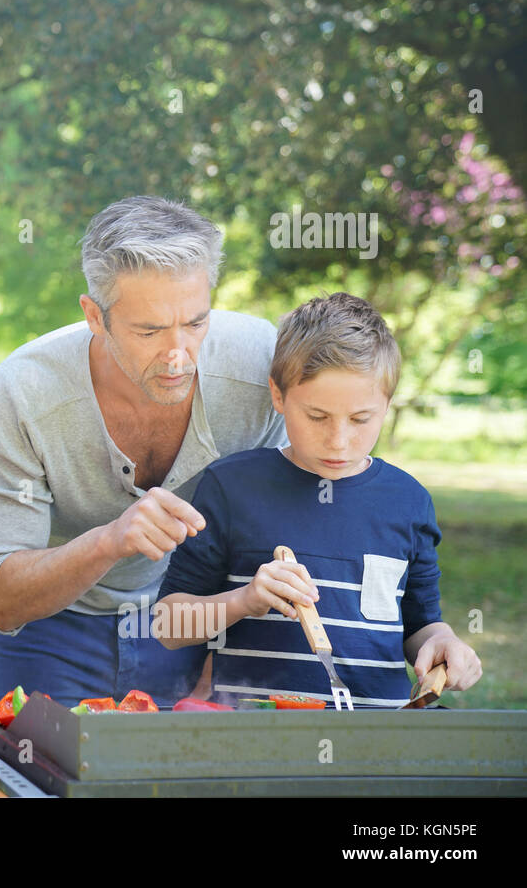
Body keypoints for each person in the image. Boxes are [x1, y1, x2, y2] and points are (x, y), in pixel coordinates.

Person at [0, 196, 287, 709]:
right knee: (41, 784)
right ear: (95, 316)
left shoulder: (259, 366)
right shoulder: (24, 390)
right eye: (150, 331)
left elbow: (282, 532)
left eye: (196, 323)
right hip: (52, 631)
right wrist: (110, 541)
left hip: (193, 622)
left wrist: (212, 678)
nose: (178, 355)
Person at [154, 293, 483, 704]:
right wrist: (244, 600)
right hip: (251, 739)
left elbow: (421, 626)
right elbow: (168, 625)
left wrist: (444, 643)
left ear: (387, 405)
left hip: (376, 741)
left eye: (361, 419)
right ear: (278, 395)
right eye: (317, 416)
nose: (339, 441)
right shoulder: (231, 486)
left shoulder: (408, 501)